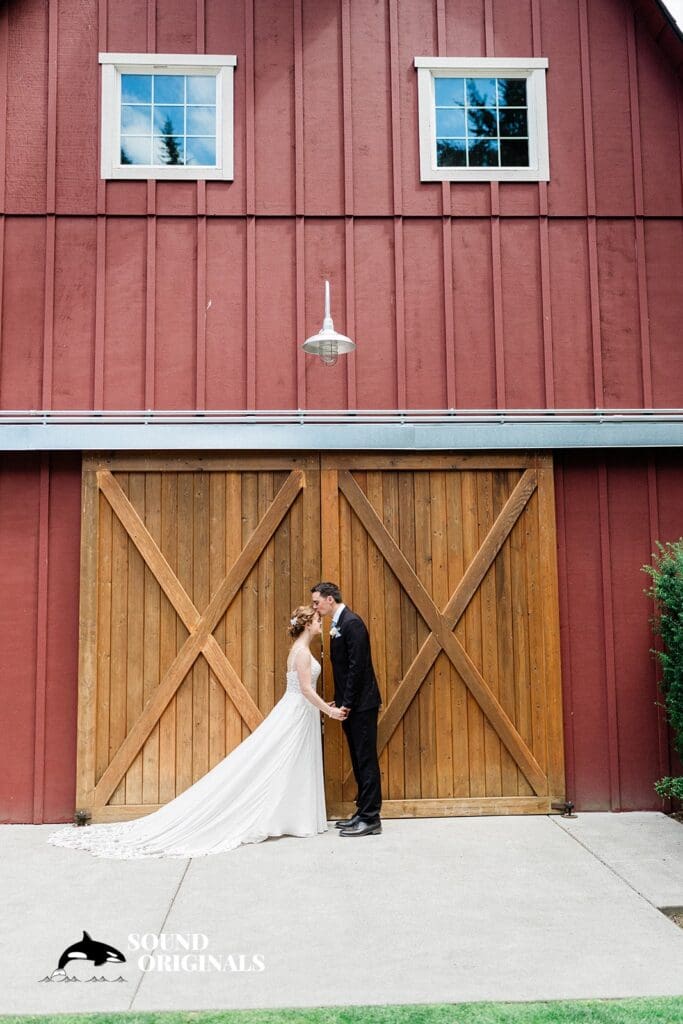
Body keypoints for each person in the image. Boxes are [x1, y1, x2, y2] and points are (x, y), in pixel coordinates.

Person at [46, 607, 346, 859]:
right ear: (307, 624)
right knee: (278, 761)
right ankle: (289, 817)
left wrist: (321, 707)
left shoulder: (299, 650)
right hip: (297, 711)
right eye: (316, 620)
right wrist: (328, 710)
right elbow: (305, 689)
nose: (320, 624)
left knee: (291, 763)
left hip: (298, 711)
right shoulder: (302, 653)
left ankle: (292, 816)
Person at [310, 582, 383, 837]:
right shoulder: (338, 624)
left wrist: (347, 703)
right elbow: (343, 671)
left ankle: (371, 817)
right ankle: (362, 812)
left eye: (317, 602)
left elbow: (357, 668)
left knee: (366, 760)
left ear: (330, 599)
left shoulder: (352, 623)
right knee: (358, 759)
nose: (315, 607)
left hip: (362, 706)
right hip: (351, 705)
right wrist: (339, 700)